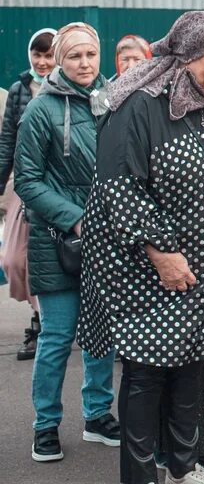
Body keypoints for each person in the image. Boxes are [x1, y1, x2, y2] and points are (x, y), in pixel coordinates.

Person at [80, 11, 204, 484]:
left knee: (191, 364)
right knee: (147, 372)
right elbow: (119, 187)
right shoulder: (137, 105)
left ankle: (184, 467)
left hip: (199, 262)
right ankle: (139, 475)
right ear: (188, 55)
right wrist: (159, 251)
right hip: (142, 265)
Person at [13, 23, 119, 463]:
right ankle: (46, 425)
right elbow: (28, 181)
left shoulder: (112, 100)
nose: (84, 63)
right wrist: (76, 220)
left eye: (91, 54)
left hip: (109, 241)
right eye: (74, 55)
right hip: (57, 240)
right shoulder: (40, 110)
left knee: (102, 335)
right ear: (59, 59)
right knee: (57, 337)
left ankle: (97, 416)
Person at [1, 27, 55, 361]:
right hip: (25, 183)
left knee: (50, 259)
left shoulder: (75, 88)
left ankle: (43, 324)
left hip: (59, 184)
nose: (44, 61)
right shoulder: (21, 89)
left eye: (49, 55)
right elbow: (8, 139)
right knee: (14, 259)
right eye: (38, 54)